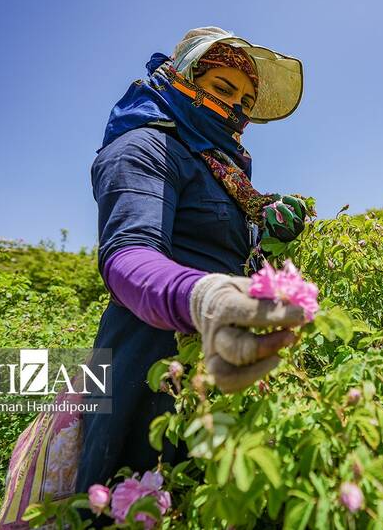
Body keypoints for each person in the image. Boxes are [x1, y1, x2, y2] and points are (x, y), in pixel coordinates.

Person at [75, 26, 311, 498]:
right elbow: (127, 256)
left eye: (245, 102)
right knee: (137, 496)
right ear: (182, 78)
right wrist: (201, 296)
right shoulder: (145, 147)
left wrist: (267, 235)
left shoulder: (222, 171)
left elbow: (225, 254)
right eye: (222, 88)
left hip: (218, 352)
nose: (235, 108)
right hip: (149, 357)